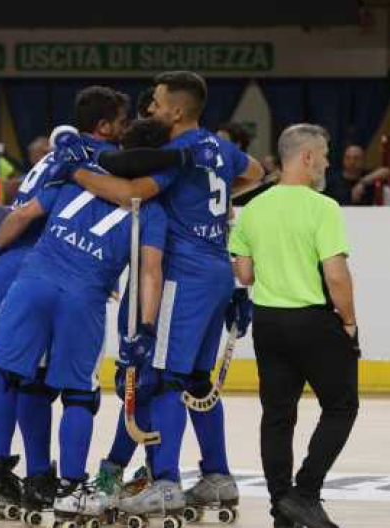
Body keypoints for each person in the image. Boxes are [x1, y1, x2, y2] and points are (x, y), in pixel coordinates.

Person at [0, 116, 170, 525]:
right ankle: (72, 489)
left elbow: (23, 215)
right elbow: (150, 273)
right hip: (85, 297)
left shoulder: (78, 177)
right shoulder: (152, 210)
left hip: (34, 280)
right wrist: (145, 329)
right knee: (79, 394)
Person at [65, 70, 263, 524]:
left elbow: (131, 193)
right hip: (216, 273)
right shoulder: (216, 147)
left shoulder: (175, 153)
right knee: (197, 381)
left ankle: (165, 484)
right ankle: (217, 476)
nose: (147, 108)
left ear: (175, 110)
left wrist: (73, 170)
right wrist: (210, 200)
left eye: (154, 102)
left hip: (181, 275)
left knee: (163, 381)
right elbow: (257, 172)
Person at [229, 123, 360, 528]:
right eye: (323, 153)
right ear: (306, 158)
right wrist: (350, 321)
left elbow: (245, 273)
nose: (327, 161)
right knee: (340, 406)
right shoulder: (323, 207)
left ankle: (281, 504)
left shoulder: (254, 209)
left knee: (278, 415)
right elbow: (336, 274)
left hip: (268, 323)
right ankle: (305, 493)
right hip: (313, 321)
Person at [323, 144, 390, 206]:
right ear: (343, 160)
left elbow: (386, 171)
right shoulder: (332, 181)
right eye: (348, 158)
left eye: (356, 158)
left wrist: (362, 183)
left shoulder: (367, 176)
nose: (352, 162)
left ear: (363, 160)